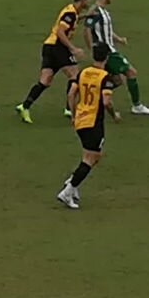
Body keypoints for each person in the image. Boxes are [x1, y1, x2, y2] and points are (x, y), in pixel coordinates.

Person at [56, 43, 120, 210]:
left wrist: (73, 112)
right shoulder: (105, 77)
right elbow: (106, 102)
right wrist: (114, 115)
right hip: (93, 122)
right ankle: (68, 190)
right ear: (106, 57)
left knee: (90, 156)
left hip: (80, 120)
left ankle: (73, 184)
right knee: (91, 159)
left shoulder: (83, 72)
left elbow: (71, 93)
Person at [16, 0, 90, 125]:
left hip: (48, 46)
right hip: (57, 47)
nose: (88, 2)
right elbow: (61, 32)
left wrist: (86, 16)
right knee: (75, 75)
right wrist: (73, 48)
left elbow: (71, 21)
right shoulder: (70, 14)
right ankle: (69, 109)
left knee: (45, 80)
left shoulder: (71, 11)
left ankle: (25, 106)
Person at [84, 0, 149, 115]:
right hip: (108, 53)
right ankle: (137, 106)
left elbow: (107, 30)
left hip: (110, 50)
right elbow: (86, 29)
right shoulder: (95, 11)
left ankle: (90, 100)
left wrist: (119, 39)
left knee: (115, 81)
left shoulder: (103, 11)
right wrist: (92, 48)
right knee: (131, 73)